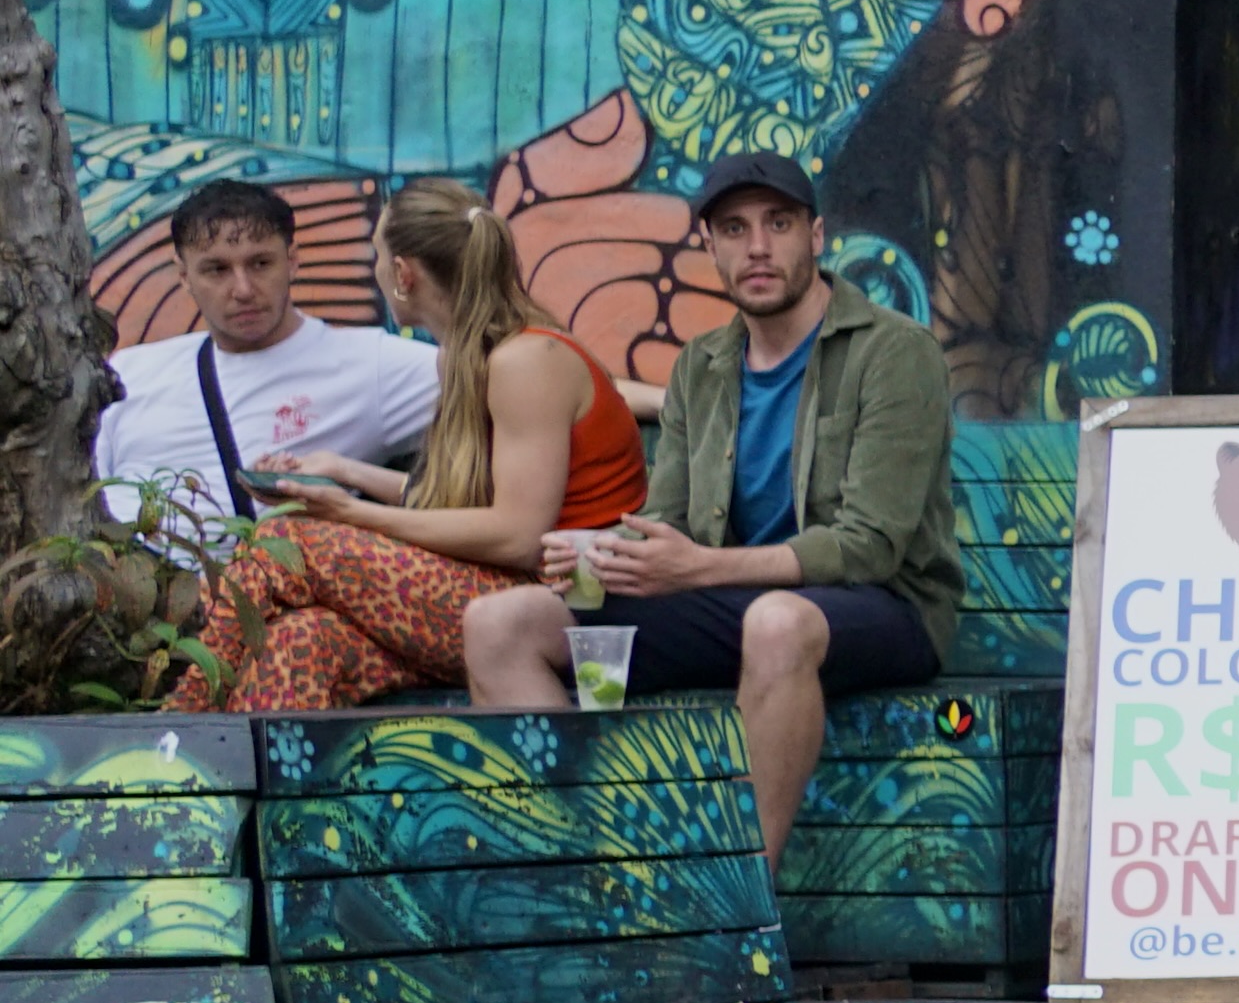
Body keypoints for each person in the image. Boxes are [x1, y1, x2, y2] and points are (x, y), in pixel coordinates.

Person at [453, 158, 950, 857]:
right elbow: (671, 522)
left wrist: (697, 568)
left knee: (777, 622)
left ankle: (740, 896)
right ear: (710, 246)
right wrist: (608, 552)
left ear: (816, 236)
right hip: (733, 605)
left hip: (883, 607)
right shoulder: (703, 364)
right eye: (735, 229)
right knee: (500, 623)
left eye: (779, 224)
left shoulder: (893, 351)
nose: (758, 247)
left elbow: (869, 547)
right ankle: (580, 870)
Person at [173, 182, 635, 712]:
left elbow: (517, 536)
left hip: (565, 605)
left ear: (402, 273)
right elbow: (467, 500)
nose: (375, 269)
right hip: (488, 591)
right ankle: (232, 766)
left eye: (376, 256)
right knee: (300, 641)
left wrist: (351, 513)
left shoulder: (525, 360)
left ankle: (180, 723)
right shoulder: (462, 358)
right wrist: (346, 473)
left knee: (287, 540)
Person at [95, 180, 444, 503]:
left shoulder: (371, 364)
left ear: (292, 261)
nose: (243, 290)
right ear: (184, 276)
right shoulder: (127, 374)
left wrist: (350, 474)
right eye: (217, 270)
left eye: (260, 263)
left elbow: (479, 378)